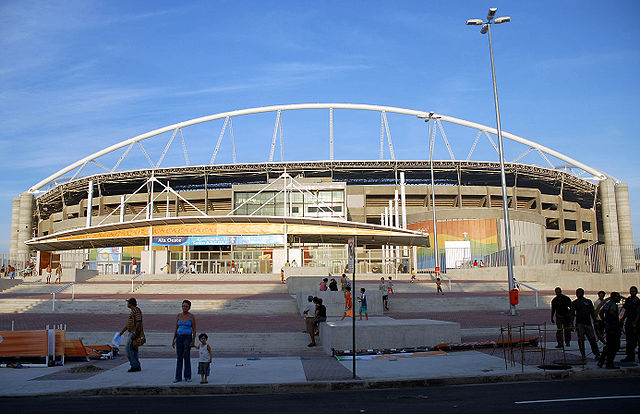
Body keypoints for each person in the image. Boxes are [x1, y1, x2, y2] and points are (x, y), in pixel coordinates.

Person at [571, 288, 601, 360]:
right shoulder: (575, 302)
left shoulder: (588, 302)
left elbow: (592, 312)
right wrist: (571, 324)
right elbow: (572, 314)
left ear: (583, 293)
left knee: (592, 339)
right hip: (579, 324)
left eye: (580, 293)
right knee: (581, 340)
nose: (578, 294)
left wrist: (595, 320)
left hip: (588, 323)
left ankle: (597, 354)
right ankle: (583, 355)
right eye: (577, 293)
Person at [172, 299, 197, 383]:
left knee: (186, 356)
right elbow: (176, 328)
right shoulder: (178, 316)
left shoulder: (191, 316)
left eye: (186, 306)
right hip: (179, 337)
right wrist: (173, 339)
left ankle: (187, 376)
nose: (184, 308)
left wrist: (193, 340)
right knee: (179, 357)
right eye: (183, 306)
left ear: (189, 307)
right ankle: (178, 377)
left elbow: (194, 329)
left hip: (187, 337)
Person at [598, 292, 622, 369]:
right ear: (614, 297)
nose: (619, 298)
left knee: (608, 345)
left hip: (608, 326)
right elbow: (612, 312)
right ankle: (609, 363)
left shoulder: (607, 304)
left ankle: (601, 361)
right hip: (613, 327)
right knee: (614, 346)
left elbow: (601, 312)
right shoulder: (613, 305)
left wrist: (604, 321)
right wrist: (617, 320)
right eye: (618, 297)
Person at [119, 297, 143, 372]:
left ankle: (134, 365)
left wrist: (134, 332)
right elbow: (129, 323)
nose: (127, 304)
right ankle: (136, 365)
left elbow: (138, 322)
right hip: (132, 332)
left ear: (130, 304)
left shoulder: (136, 311)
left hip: (134, 333)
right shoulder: (133, 311)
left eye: (128, 302)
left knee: (128, 349)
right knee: (134, 349)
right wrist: (122, 331)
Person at [620, 286, 639, 363]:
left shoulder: (638, 301)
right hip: (629, 322)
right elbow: (626, 311)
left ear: (636, 292)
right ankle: (630, 356)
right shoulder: (628, 300)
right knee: (629, 340)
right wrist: (622, 319)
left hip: (636, 323)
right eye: (631, 291)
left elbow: (638, 313)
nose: (632, 293)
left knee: (636, 339)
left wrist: (635, 322)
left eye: (633, 291)